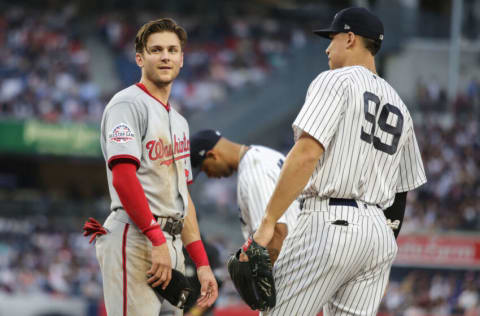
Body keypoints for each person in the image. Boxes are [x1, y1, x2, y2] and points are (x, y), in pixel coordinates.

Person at [251, 7, 427, 316]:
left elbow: (306, 153)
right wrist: (383, 253)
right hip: (379, 237)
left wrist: (268, 222)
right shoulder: (401, 107)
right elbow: (401, 194)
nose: (327, 48)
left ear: (350, 38)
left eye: (332, 39)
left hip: (330, 223)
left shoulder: (335, 80)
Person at [93, 18, 218, 316]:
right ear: (140, 57)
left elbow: (183, 199)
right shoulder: (127, 104)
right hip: (136, 235)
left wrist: (201, 262)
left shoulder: (179, 121)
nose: (165, 56)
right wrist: (156, 237)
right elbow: (124, 178)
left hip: (171, 242)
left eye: (172, 50)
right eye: (156, 49)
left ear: (182, 59)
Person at [190, 130, 300, 263]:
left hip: (294, 262)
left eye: (205, 169)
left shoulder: (254, 172)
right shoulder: (264, 153)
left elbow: (276, 233)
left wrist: (268, 280)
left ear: (212, 155)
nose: (209, 175)